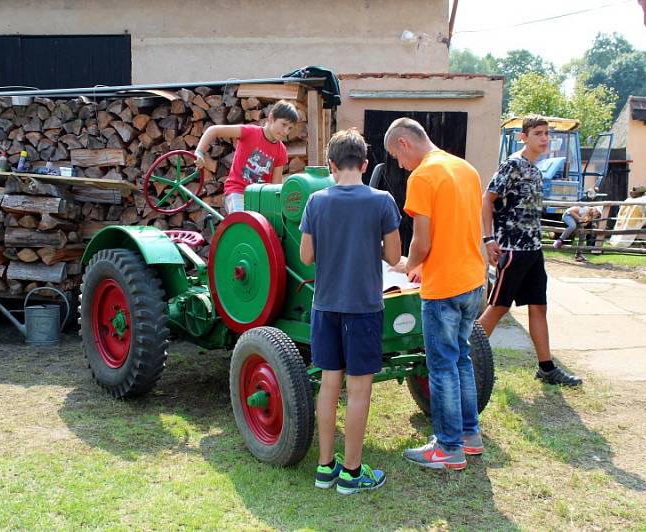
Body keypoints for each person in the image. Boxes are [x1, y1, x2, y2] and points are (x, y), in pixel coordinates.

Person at [299, 128, 401, 494]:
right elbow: (392, 256)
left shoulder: (316, 201)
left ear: (330, 165)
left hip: (326, 306)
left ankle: (325, 469)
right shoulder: (382, 201)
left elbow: (306, 257)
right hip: (364, 308)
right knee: (359, 391)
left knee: (329, 386)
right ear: (365, 163)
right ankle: (353, 474)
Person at [384, 118, 486, 471]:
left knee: (441, 366)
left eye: (396, 156)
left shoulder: (423, 176)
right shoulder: (465, 168)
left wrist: (407, 265)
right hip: (473, 279)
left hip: (444, 288)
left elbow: (422, 240)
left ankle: (447, 447)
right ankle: (470, 437)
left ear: (404, 143)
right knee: (461, 359)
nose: (399, 164)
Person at [479, 114, 582, 386]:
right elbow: (487, 201)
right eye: (538, 133)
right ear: (524, 137)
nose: (545, 138)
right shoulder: (512, 165)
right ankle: (466, 361)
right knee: (497, 308)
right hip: (512, 250)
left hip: (533, 250)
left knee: (539, 307)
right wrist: (489, 240)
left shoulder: (536, 170)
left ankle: (547, 369)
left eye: (547, 134)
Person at [194, 100, 298, 214]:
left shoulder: (281, 151)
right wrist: (199, 152)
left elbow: (276, 186)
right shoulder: (250, 132)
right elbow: (213, 130)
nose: (285, 131)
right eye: (284, 124)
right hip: (237, 191)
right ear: (271, 118)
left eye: (290, 128)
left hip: (260, 198)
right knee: (243, 221)